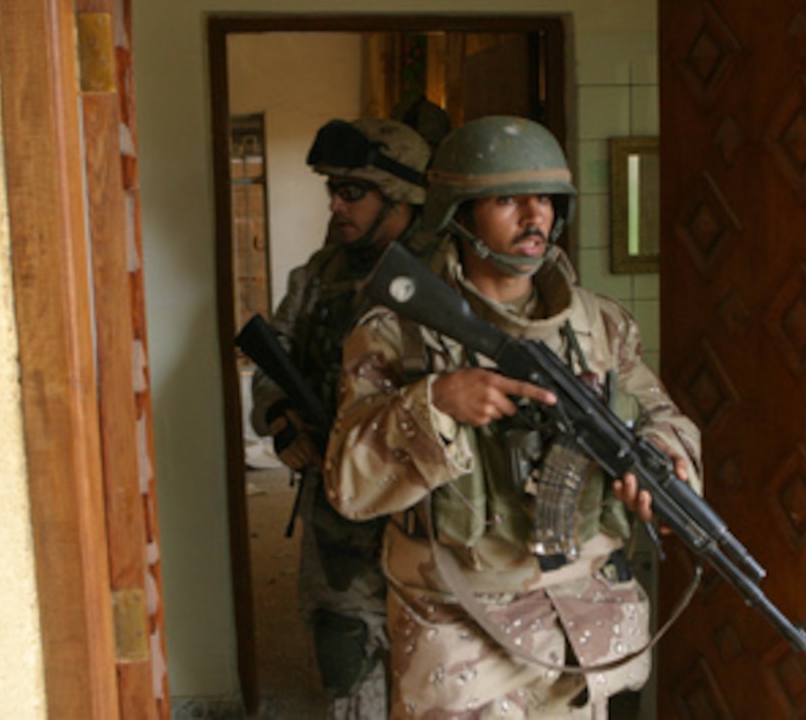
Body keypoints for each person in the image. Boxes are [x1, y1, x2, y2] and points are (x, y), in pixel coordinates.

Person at [324, 115, 703, 718]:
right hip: (461, 633)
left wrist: (667, 458)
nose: (536, 217)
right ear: (460, 212)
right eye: (507, 199)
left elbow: (663, 415)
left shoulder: (599, 325)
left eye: (547, 199)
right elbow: (348, 485)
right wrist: (436, 404)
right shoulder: (397, 335)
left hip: (579, 628)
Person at [249, 117, 437, 718]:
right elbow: (271, 362)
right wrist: (281, 419)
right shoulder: (320, 275)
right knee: (344, 653)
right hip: (339, 514)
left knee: (441, 665)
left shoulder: (447, 277)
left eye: (352, 190)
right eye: (333, 188)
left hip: (432, 515)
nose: (335, 203)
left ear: (401, 195)